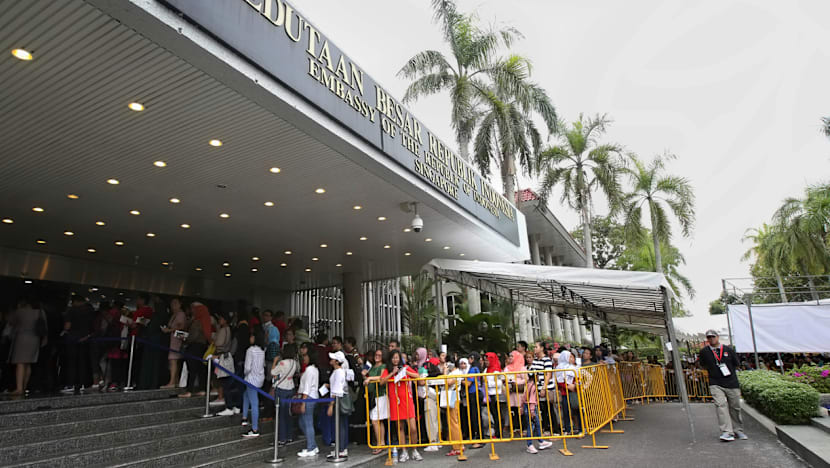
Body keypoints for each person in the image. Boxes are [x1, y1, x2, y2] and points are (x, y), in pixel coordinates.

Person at [698, 329, 745, 442]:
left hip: (731, 382)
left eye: (713, 337)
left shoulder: (728, 349)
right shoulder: (704, 352)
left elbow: (736, 364)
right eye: (709, 337)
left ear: (717, 337)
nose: (711, 339)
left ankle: (738, 429)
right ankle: (727, 431)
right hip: (715, 382)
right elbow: (703, 365)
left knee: (735, 407)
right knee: (720, 405)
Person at [380, 349, 422, 462]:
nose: (395, 360)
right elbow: (382, 382)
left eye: (397, 357)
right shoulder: (386, 369)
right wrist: (393, 373)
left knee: (413, 427)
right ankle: (403, 451)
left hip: (407, 400)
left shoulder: (406, 367)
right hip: (395, 401)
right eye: (393, 357)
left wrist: (406, 372)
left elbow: (417, 376)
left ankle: (414, 449)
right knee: (400, 427)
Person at [9, 298, 48, 395]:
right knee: (28, 363)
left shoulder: (20, 312)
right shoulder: (40, 312)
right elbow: (45, 327)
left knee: (20, 363)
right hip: (35, 339)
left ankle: (19, 388)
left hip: (21, 338)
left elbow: (11, 322)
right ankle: (24, 386)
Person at [63, 294, 94, 394]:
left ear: (75, 301)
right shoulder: (90, 311)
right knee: (83, 362)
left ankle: (71, 384)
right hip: (86, 339)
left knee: (72, 362)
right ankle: (83, 384)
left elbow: (67, 326)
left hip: (73, 338)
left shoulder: (71, 310)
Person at [180, 302, 211, 398]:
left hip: (194, 347)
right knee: (200, 369)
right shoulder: (205, 321)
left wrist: (185, 339)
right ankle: (202, 389)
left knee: (192, 369)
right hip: (202, 348)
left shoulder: (197, 322)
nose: (192, 310)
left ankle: (189, 390)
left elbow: (193, 336)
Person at [327, 350, 353, 459]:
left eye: (333, 359)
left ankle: (341, 449)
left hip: (339, 400)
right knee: (341, 424)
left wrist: (331, 405)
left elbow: (336, 390)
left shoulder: (338, 372)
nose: (331, 360)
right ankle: (341, 448)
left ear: (337, 361)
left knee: (340, 425)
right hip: (340, 398)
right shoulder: (339, 371)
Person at [363, 348, 389, 455]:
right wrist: (365, 375)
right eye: (376, 354)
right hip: (374, 395)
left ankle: (380, 443)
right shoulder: (372, 367)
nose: (377, 356)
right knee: (378, 420)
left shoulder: (383, 366)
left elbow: (382, 377)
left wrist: (370, 378)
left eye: (379, 354)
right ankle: (381, 442)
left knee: (375, 420)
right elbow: (368, 378)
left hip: (380, 394)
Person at [241, 327, 265, 438]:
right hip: (259, 379)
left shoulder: (250, 350)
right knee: (246, 395)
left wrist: (245, 374)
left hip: (251, 379)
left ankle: (255, 429)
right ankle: (244, 418)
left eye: (252, 336)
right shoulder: (262, 350)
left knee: (254, 402)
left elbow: (247, 367)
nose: (250, 338)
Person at [271, 350, 299, 446]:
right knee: (288, 413)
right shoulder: (294, 363)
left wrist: (274, 362)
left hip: (282, 388)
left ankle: (282, 438)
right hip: (290, 387)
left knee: (281, 414)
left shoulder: (282, 363)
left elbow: (273, 372)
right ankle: (289, 435)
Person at [297, 351, 320, 457]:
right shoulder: (314, 369)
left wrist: (303, 402)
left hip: (309, 397)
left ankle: (311, 447)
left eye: (306, 356)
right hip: (313, 397)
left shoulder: (310, 370)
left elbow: (307, 387)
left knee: (307, 422)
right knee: (305, 422)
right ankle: (313, 445)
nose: (304, 358)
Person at [161, 298, 187, 388]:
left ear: (180, 304)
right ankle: (175, 380)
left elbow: (181, 326)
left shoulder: (180, 314)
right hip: (172, 339)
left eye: (176, 303)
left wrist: (169, 330)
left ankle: (172, 382)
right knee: (173, 360)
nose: (173, 305)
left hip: (176, 339)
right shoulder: (174, 314)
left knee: (173, 360)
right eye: (172, 303)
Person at [556, 350, 580, 434]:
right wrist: (567, 386)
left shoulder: (573, 367)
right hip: (564, 392)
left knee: (576, 410)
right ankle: (567, 428)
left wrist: (575, 385)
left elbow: (577, 378)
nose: (571, 358)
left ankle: (579, 428)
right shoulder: (559, 368)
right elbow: (559, 380)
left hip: (573, 392)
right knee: (566, 411)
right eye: (569, 357)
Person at [212, 312, 232, 407]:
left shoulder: (223, 330)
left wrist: (214, 338)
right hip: (225, 355)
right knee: (222, 376)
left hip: (220, 354)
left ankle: (220, 396)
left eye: (221, 319)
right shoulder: (229, 329)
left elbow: (219, 342)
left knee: (219, 376)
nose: (219, 320)